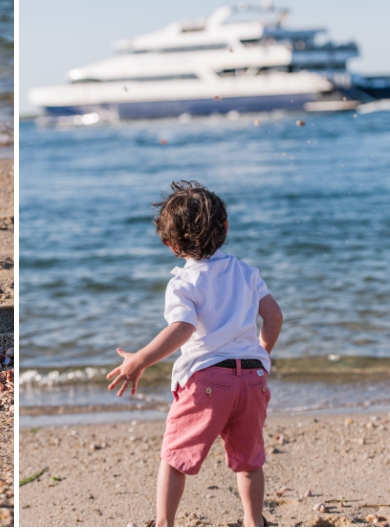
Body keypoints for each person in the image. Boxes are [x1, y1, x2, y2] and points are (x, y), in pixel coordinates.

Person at [107, 181, 283, 527]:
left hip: (207, 382)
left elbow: (183, 328)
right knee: (249, 462)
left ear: (171, 245)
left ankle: (164, 523)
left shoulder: (184, 283)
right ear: (226, 227)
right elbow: (274, 316)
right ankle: (253, 522)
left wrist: (140, 358)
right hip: (252, 380)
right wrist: (262, 352)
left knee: (174, 457)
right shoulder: (247, 273)